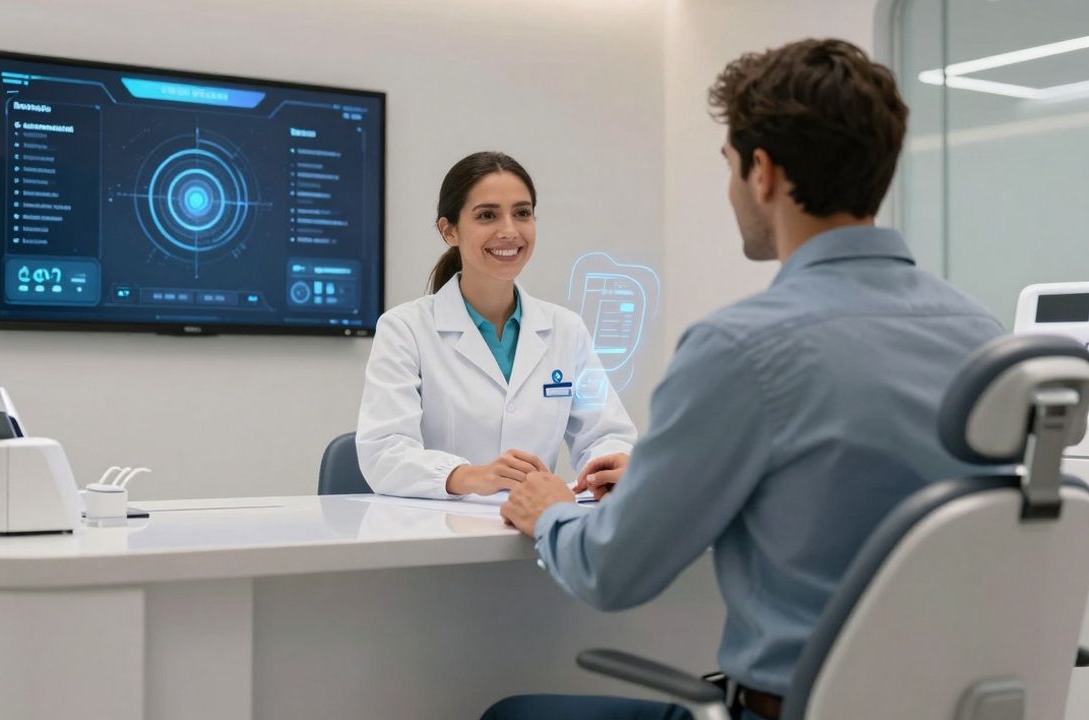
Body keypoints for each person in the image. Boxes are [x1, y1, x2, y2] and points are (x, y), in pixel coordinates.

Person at [490, 38, 1006, 720]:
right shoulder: (986, 337)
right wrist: (661, 470)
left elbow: (610, 572)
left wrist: (549, 509)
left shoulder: (740, 348)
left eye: (730, 166)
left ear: (762, 173)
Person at [356, 151, 637, 499]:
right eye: (487, 215)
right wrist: (471, 476)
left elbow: (605, 433)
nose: (509, 230)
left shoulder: (566, 329)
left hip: (537, 530)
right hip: (437, 532)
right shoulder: (405, 329)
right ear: (449, 231)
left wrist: (607, 468)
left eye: (522, 213)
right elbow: (383, 453)